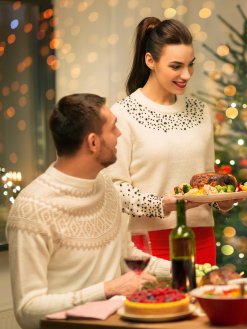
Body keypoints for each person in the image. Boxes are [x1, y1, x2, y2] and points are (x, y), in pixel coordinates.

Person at [6, 94, 171, 329]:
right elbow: (27, 311)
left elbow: (128, 257)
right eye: (113, 128)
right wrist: (107, 289)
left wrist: (193, 270)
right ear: (93, 142)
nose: (119, 135)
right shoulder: (32, 208)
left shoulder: (106, 186)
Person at [105, 17, 239, 265]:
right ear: (150, 61)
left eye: (190, 65)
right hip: (148, 244)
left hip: (202, 239)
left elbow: (207, 179)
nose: (186, 75)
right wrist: (161, 205)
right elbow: (115, 189)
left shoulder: (201, 111)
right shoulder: (123, 114)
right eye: (176, 66)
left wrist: (225, 201)